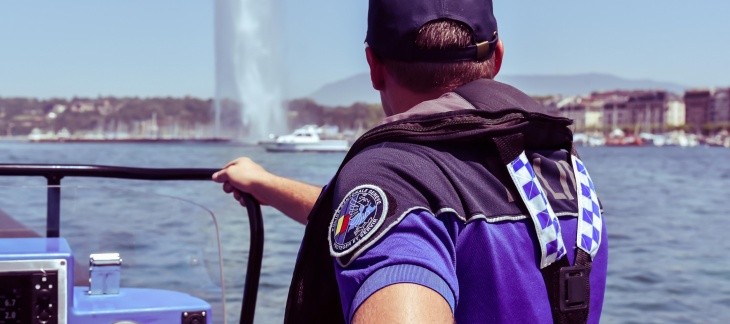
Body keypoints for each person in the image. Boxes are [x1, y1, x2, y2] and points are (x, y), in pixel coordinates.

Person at [213, 0, 607, 323]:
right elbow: (398, 217)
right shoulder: (561, 167)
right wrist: (265, 184)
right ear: (498, 58)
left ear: (374, 65)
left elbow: (405, 217)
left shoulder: (392, 174)